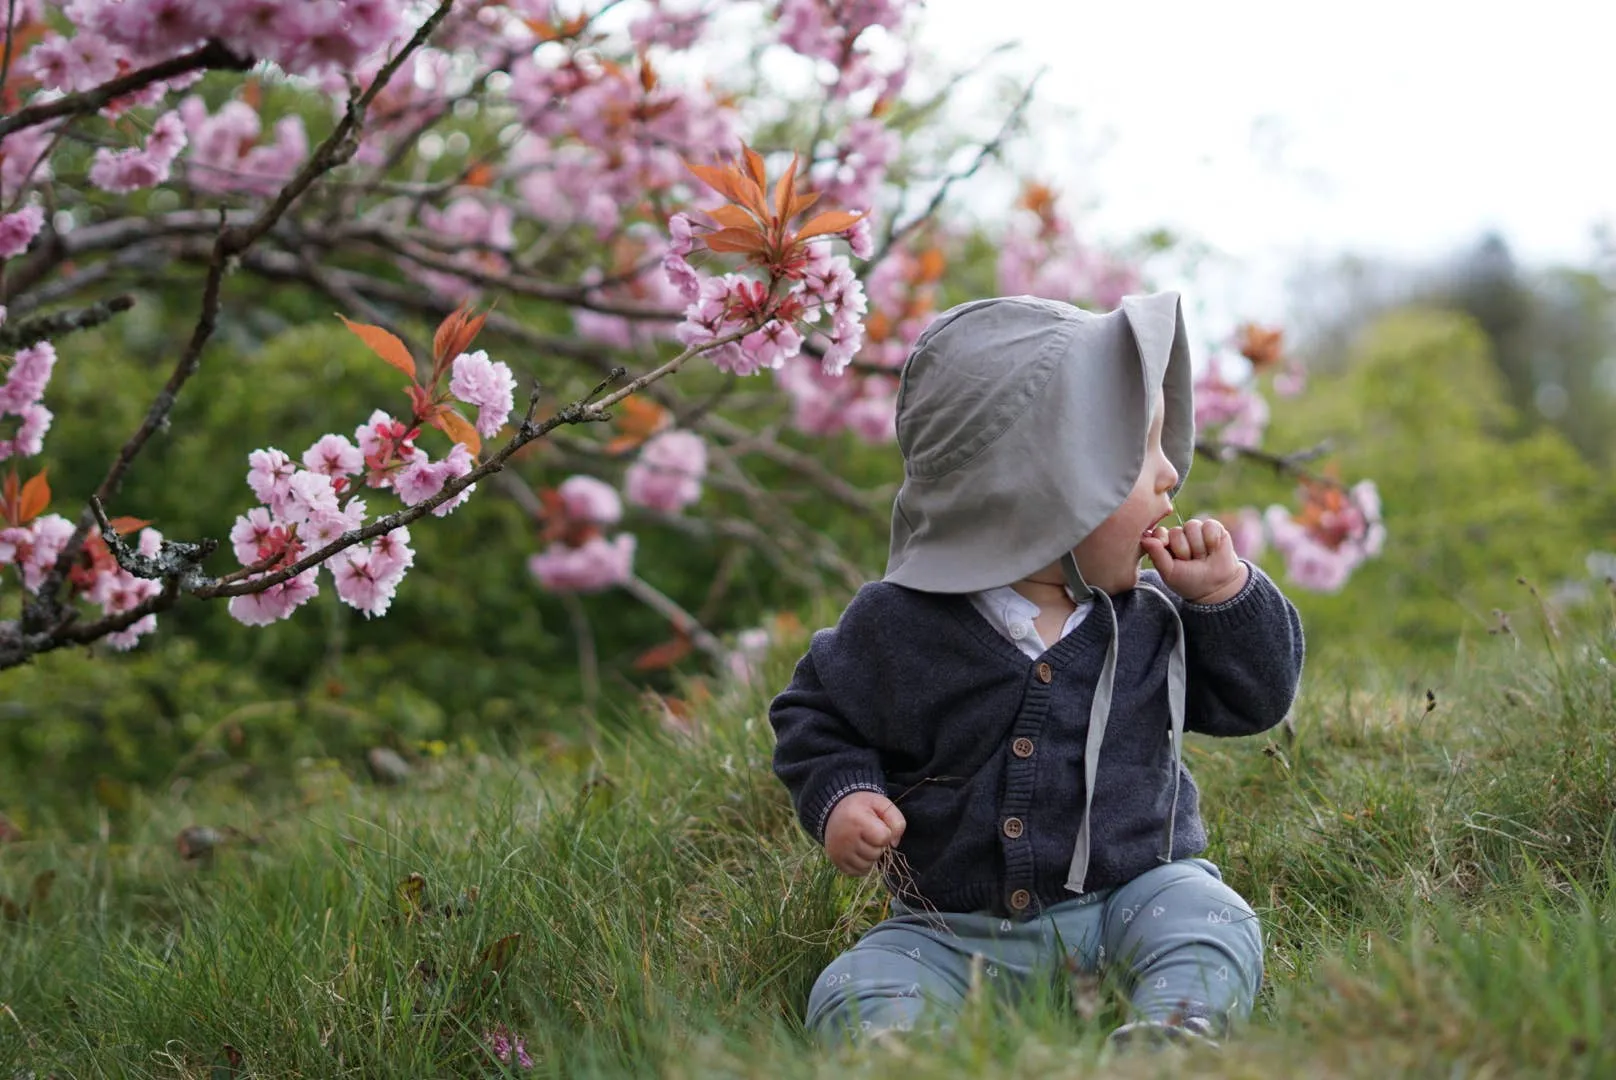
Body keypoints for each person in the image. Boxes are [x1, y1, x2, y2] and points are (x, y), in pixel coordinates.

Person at [769, 292, 1306, 1050]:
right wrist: (844, 797)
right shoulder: (899, 625)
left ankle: (1174, 1034)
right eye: (1139, 454)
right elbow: (816, 716)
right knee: (855, 986)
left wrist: (1224, 597)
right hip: (951, 929)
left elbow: (1259, 698)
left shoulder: (1151, 616)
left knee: (1212, 918)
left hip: (1134, 893)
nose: (1170, 478)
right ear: (1044, 487)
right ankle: (904, 1053)